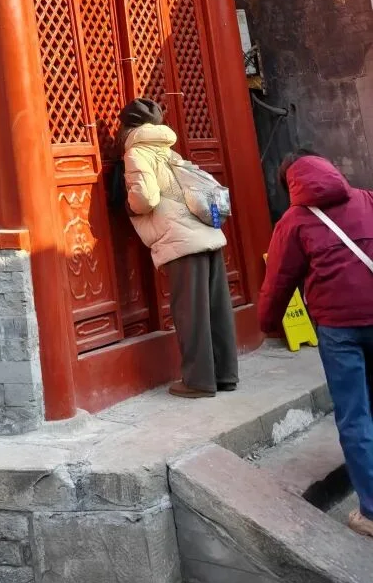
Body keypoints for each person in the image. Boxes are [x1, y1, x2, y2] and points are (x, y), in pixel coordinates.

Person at [259, 149, 373, 541]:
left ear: (289, 183)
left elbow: (278, 283)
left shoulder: (293, 222)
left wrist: (268, 326)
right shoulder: (367, 199)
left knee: (354, 415)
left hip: (338, 330)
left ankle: (372, 511)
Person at [121, 96, 238, 398]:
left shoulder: (136, 152)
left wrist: (129, 207)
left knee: (190, 313)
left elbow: (146, 198)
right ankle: (225, 375)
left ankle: (198, 382)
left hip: (181, 241)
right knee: (217, 309)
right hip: (207, 234)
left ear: (128, 126)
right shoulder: (168, 150)